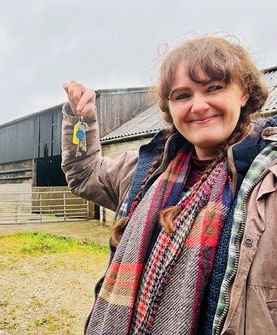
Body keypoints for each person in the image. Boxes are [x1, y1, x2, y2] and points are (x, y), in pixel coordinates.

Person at [61, 36, 277, 335]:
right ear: (170, 106)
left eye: (214, 88)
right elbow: (84, 173)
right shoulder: (145, 170)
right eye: (182, 95)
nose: (198, 106)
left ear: (244, 94)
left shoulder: (269, 182)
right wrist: (81, 122)